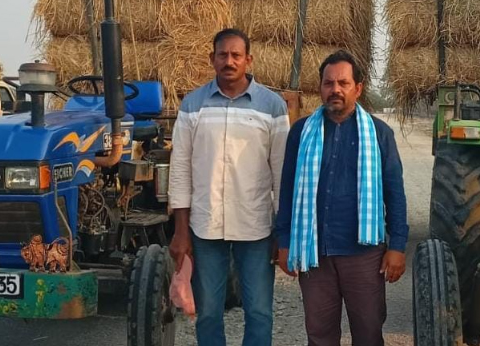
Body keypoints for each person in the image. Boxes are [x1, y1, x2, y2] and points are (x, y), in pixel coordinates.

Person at [276, 50, 409, 346]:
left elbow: (394, 193)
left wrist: (397, 245)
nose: (335, 89)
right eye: (328, 83)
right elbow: (287, 189)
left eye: (343, 83)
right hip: (315, 252)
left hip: (363, 255)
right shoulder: (301, 132)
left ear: (357, 89)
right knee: (320, 335)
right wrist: (284, 242)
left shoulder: (378, 133)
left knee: (368, 333)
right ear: (321, 87)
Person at [168, 28, 290, 346]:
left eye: (236, 55)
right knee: (208, 312)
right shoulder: (193, 105)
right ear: (212, 59)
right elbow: (180, 171)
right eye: (223, 55)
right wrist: (181, 232)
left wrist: (283, 230)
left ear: (248, 59)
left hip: (257, 228)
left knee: (260, 312)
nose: (229, 61)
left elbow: (281, 174)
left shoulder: (272, 107)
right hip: (206, 227)